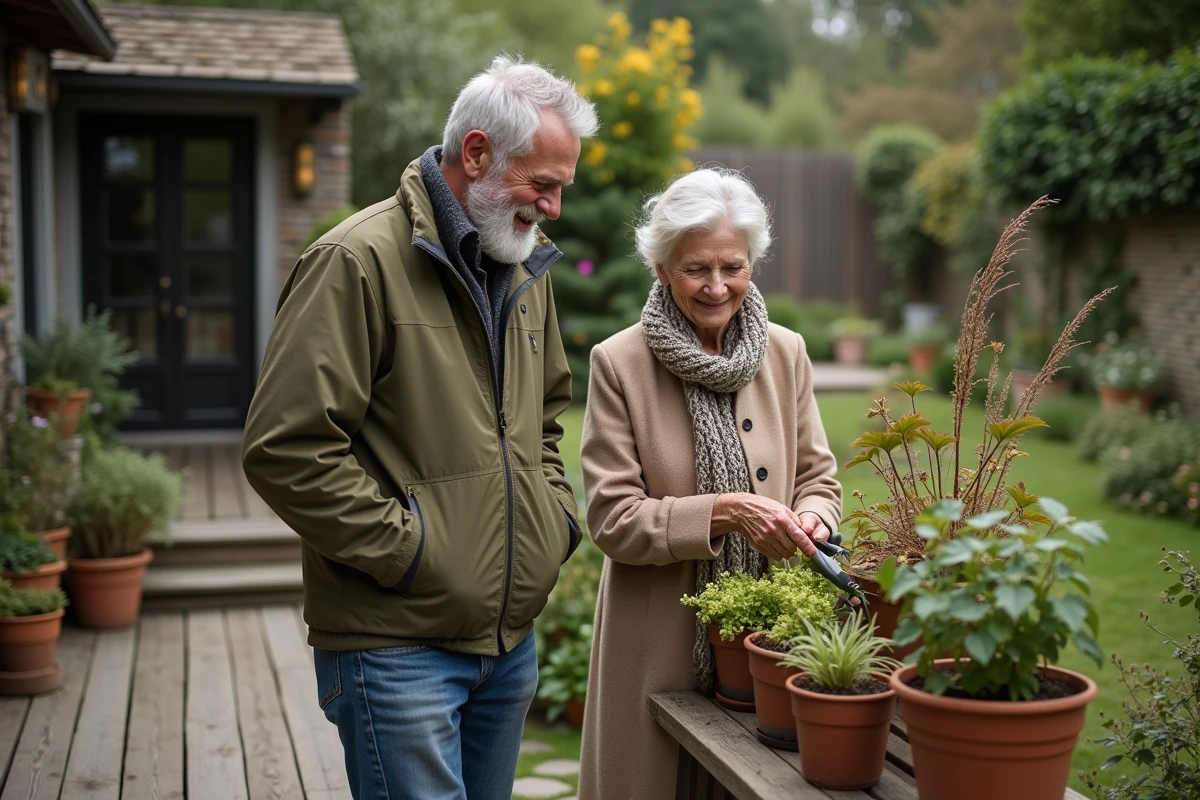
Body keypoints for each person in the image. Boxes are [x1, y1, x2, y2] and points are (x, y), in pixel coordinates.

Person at [241, 56, 598, 800]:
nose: (555, 208)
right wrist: (413, 553)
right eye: (545, 184)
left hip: (509, 645)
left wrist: (552, 525)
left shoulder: (524, 266)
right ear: (476, 155)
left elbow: (544, 425)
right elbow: (286, 449)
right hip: (393, 646)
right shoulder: (354, 262)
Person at [576, 167, 844, 800]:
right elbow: (612, 518)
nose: (718, 286)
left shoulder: (786, 353)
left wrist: (813, 520)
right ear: (663, 268)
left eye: (734, 266)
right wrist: (722, 513)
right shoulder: (619, 363)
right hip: (656, 650)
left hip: (769, 643)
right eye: (697, 269)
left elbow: (819, 479)